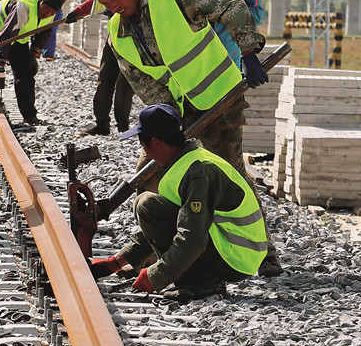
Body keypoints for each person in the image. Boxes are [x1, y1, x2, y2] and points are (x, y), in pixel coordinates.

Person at [84, 0, 282, 276]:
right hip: (177, 111)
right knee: (148, 175)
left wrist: (247, 52)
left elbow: (231, 6)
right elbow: (145, 84)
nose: (113, 8)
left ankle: (264, 253)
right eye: (105, 5)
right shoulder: (117, 34)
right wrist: (166, 124)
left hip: (219, 96)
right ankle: (154, 250)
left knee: (229, 171)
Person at [89, 104, 267, 299]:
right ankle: (199, 279)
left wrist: (156, 276)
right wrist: (116, 262)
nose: (146, 152)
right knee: (149, 205)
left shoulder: (199, 172)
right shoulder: (188, 162)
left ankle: (202, 283)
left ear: (155, 143)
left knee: (146, 205)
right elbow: (170, 221)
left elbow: (192, 237)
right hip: (229, 246)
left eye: (144, 146)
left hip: (237, 256)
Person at [69, 0, 161, 135]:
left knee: (126, 83)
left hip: (137, 34)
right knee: (105, 76)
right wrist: (77, 13)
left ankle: (123, 127)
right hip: (116, 31)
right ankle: (101, 123)